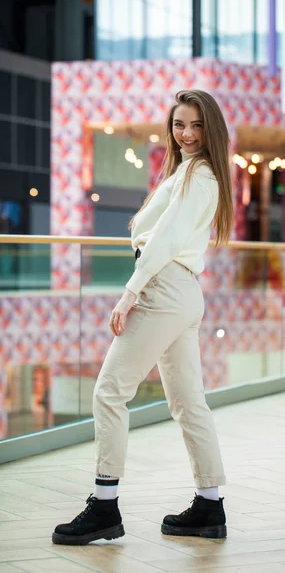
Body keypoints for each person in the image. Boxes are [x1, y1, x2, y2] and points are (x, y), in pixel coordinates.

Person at [52, 89, 234, 546]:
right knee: (188, 402)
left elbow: (167, 235)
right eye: (179, 125)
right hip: (181, 290)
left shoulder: (199, 175)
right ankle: (209, 505)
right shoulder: (188, 172)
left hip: (164, 288)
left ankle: (104, 506)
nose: (187, 133)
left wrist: (130, 292)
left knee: (110, 391)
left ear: (210, 128)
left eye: (196, 125)